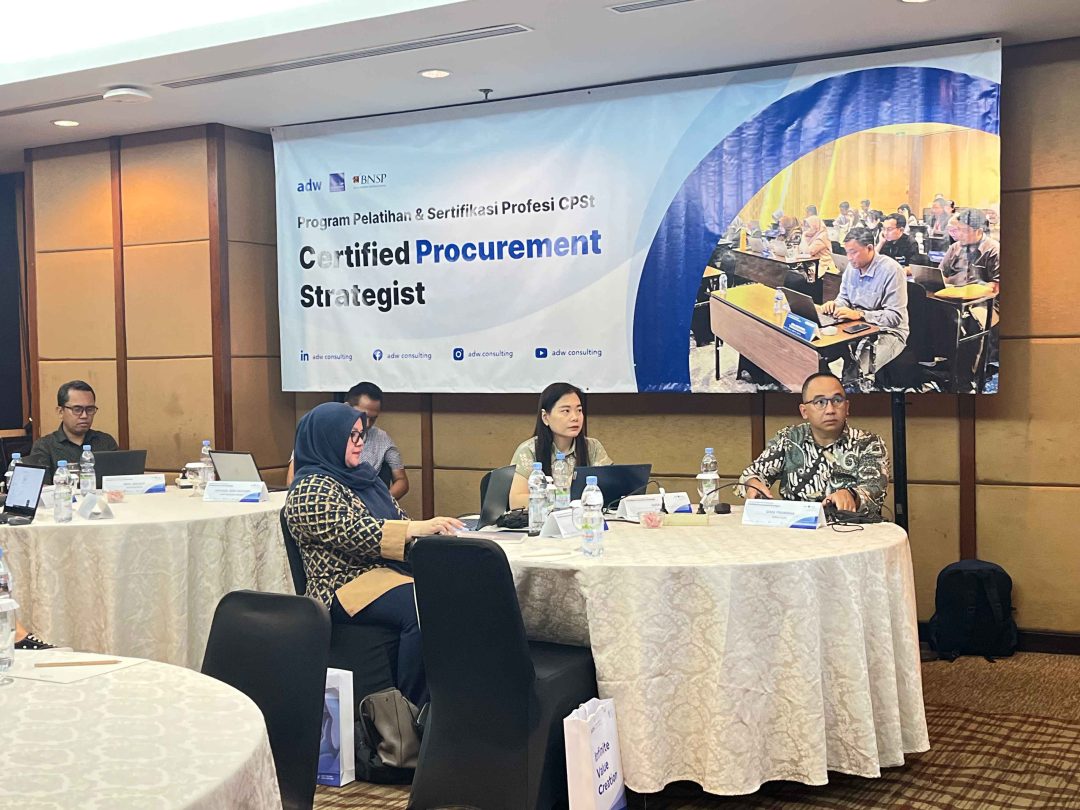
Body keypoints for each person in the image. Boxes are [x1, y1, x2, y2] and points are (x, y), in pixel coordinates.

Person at [283, 402, 463, 708]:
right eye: (350, 436)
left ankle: (454, 699)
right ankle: (411, 710)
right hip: (343, 585)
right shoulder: (309, 490)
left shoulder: (364, 478)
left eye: (361, 435)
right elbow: (356, 532)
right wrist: (416, 528)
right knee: (423, 605)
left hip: (384, 575)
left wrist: (439, 538)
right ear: (327, 438)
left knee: (451, 589)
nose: (359, 443)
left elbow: (400, 522)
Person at [738, 372, 888, 518]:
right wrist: (753, 483)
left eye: (837, 400)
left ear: (847, 407)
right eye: (820, 402)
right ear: (804, 411)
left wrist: (851, 495)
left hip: (849, 528)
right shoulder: (789, 439)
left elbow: (874, 492)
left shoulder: (869, 443)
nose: (830, 410)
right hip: (796, 527)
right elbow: (752, 474)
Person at [286, 382, 409, 498]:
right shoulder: (320, 434)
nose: (366, 423)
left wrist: (382, 501)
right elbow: (292, 480)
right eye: (362, 415)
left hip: (366, 501)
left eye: (373, 419)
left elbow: (401, 480)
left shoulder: (382, 439)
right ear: (346, 407)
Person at [822, 227, 909, 389]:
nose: (849, 258)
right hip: (857, 326)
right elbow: (844, 298)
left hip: (889, 332)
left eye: (853, 252)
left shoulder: (891, 270)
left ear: (869, 248)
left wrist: (860, 314)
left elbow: (895, 316)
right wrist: (835, 304)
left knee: (857, 371)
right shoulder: (852, 268)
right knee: (820, 354)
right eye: (847, 253)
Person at [508, 382, 612, 509]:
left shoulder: (592, 447)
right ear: (545, 417)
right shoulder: (529, 450)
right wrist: (559, 500)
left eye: (579, 410)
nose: (575, 417)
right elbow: (516, 501)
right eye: (566, 411)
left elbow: (611, 489)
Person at [25, 380, 118, 483]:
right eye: (77, 409)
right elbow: (41, 487)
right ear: (60, 412)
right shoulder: (44, 447)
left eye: (90, 409)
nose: (84, 416)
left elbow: (119, 481)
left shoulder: (106, 442)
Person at [939, 209, 1000, 290]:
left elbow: (996, 287)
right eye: (958, 229)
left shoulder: (994, 250)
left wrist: (962, 291)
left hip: (977, 296)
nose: (960, 234)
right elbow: (941, 275)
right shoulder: (955, 247)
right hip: (951, 293)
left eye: (965, 230)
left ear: (979, 232)